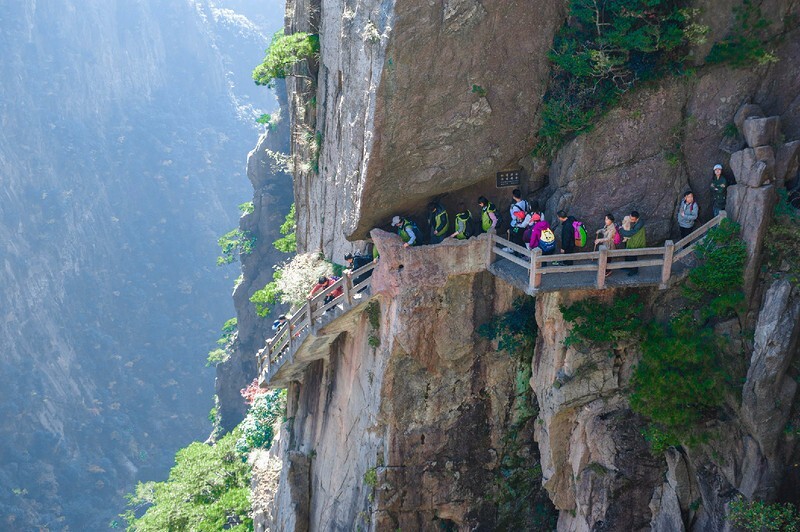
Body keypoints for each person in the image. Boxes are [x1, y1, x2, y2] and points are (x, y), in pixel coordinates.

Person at [618, 210, 645, 276]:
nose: (630, 219)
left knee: (632, 255)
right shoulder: (632, 220)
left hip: (636, 240)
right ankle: (627, 266)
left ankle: (634, 270)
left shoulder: (639, 224)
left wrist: (621, 229)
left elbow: (630, 233)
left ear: (637, 219)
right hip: (631, 240)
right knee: (627, 254)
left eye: (632, 219)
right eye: (630, 217)